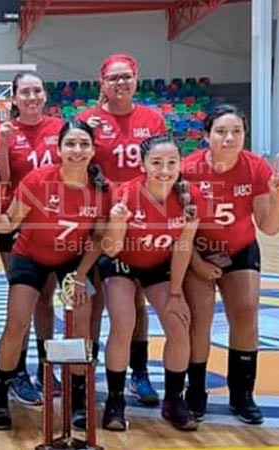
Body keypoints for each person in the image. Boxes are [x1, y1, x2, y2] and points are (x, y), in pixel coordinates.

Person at [0, 120, 110, 431]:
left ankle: (78, 399)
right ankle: (2, 396)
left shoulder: (101, 191)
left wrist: (81, 275)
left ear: (93, 150)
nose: (77, 150)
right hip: (31, 256)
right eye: (70, 144)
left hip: (73, 259)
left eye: (84, 144)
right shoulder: (38, 180)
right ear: (58, 150)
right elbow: (9, 225)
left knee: (82, 319)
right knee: (17, 322)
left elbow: (97, 239)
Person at [182, 104, 279, 425]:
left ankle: (242, 393)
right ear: (206, 136)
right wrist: (198, 264)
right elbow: (176, 225)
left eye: (237, 132)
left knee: (245, 313)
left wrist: (277, 197)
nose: (229, 138)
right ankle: (196, 391)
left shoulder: (256, 168)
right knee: (199, 318)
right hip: (196, 250)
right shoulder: (187, 170)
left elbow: (269, 227)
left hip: (239, 249)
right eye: (221, 131)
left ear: (245, 135)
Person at [77, 53, 168, 405]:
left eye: (126, 76)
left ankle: (139, 372)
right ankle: (89, 369)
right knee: (96, 300)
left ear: (136, 79)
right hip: (96, 219)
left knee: (136, 302)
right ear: (102, 83)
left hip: (139, 220)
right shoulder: (87, 120)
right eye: (113, 78)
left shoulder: (153, 118)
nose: (120, 83)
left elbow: (161, 165)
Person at [98, 136, 201, 431]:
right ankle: (115, 400)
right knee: (123, 324)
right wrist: (117, 225)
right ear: (143, 165)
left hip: (157, 265)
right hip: (121, 262)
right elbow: (110, 249)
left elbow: (183, 249)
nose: (164, 170)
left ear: (180, 164)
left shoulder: (187, 199)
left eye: (171, 163)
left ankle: (173, 400)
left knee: (179, 324)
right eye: (156, 163)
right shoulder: (127, 194)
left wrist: (176, 292)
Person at [0, 70, 65, 405]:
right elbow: (2, 176)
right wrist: (4, 142)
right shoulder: (6, 130)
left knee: (46, 300)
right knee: (22, 300)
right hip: (17, 223)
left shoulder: (60, 129)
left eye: (37, 91)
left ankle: (47, 368)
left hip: (55, 224)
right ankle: (17, 371)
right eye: (25, 92)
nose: (32, 97)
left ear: (45, 95)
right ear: (15, 98)